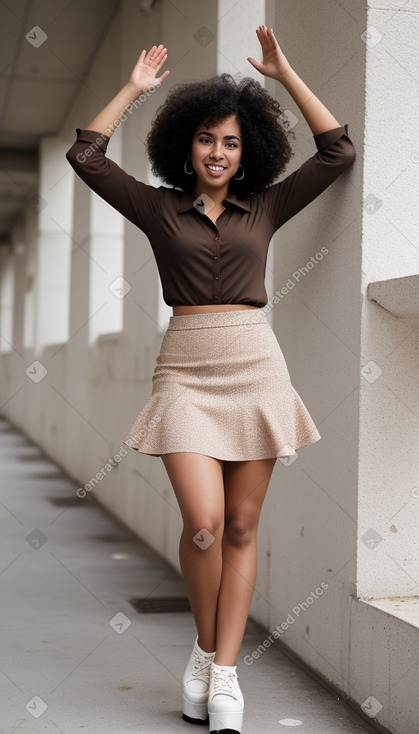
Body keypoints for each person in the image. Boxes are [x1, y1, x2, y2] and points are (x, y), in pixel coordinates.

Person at [66, 23, 355, 734]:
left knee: (242, 525)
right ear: (184, 148)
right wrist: (133, 89)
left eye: (230, 140)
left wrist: (285, 75)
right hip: (186, 370)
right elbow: (85, 154)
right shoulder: (159, 208)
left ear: (246, 147)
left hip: (254, 364)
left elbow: (337, 151)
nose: (217, 152)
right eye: (205, 139)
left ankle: (222, 674)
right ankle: (203, 650)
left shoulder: (267, 206)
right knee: (203, 525)